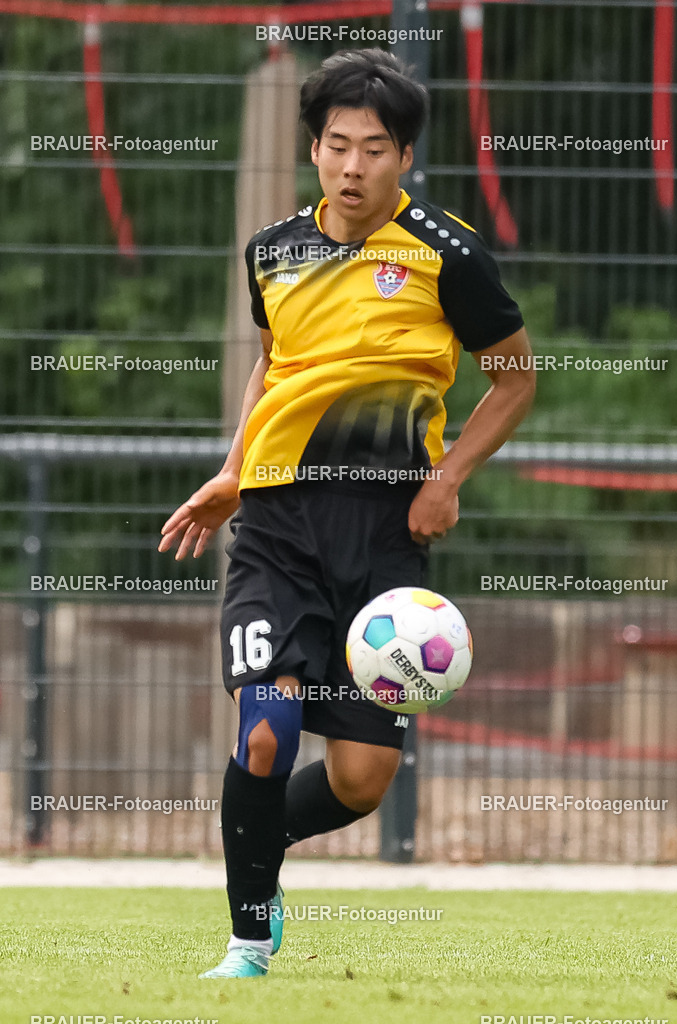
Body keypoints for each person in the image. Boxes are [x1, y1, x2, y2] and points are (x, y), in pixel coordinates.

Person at [159, 48, 535, 979]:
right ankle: (249, 941)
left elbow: (517, 378)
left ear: (403, 155)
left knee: (362, 781)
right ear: (313, 150)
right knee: (265, 729)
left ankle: (257, 850)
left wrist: (446, 477)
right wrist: (233, 470)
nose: (353, 166)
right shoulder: (273, 252)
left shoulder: (448, 254)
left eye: (374, 147)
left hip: (385, 540)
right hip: (278, 530)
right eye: (336, 146)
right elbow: (274, 362)